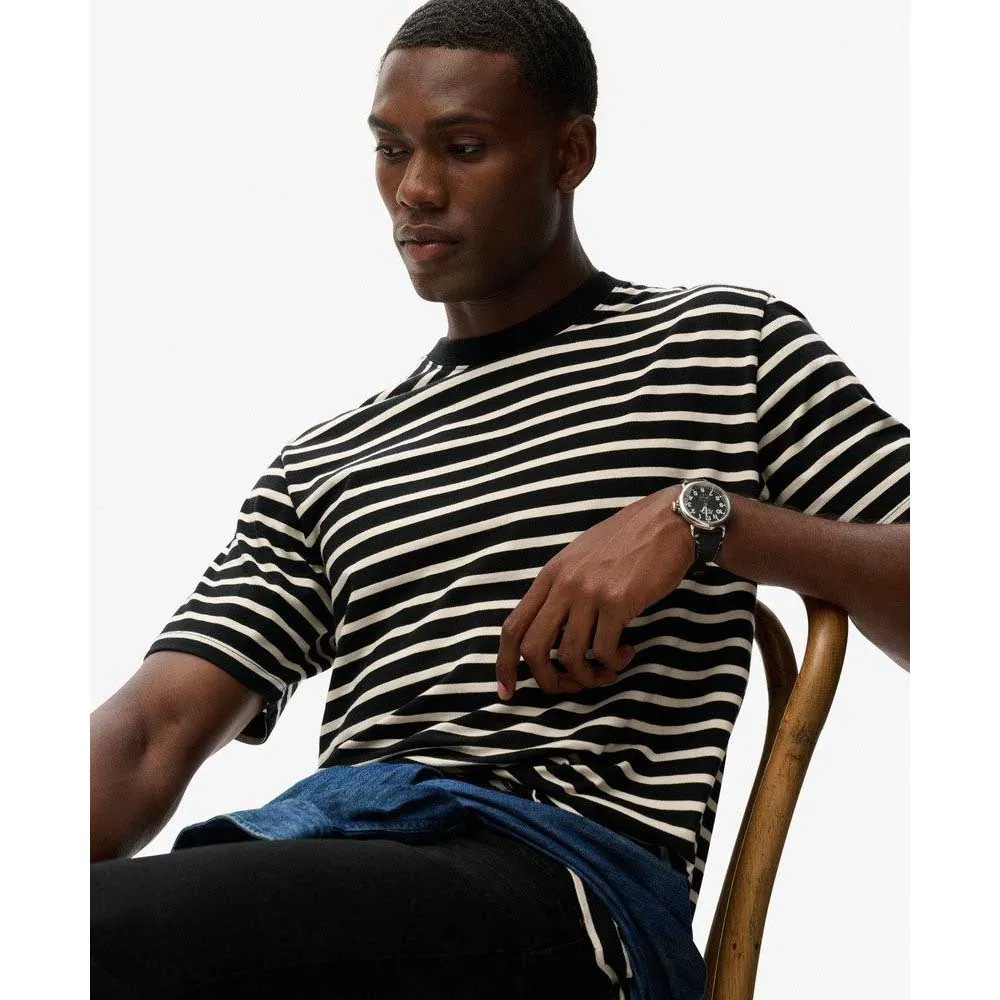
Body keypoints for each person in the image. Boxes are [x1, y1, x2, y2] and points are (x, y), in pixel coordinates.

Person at [90, 1, 910, 998]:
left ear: (569, 153)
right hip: (334, 850)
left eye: (463, 147)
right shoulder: (327, 462)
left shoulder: (725, 346)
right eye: (391, 149)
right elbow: (150, 735)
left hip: (562, 885)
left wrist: (708, 518)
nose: (416, 190)